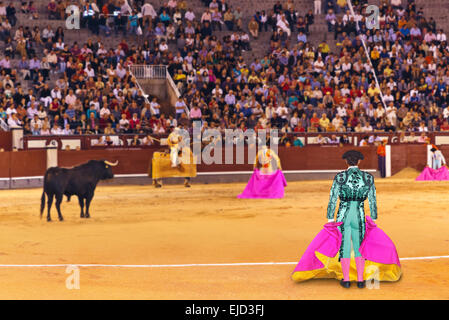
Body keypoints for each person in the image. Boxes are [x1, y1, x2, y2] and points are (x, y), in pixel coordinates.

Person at [292, 150, 401, 287]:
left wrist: (330, 218)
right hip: (359, 214)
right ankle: (361, 280)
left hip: (343, 214)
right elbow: (373, 199)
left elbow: (333, 198)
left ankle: (347, 280)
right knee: (359, 245)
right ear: (359, 161)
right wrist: (373, 217)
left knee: (344, 246)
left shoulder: (340, 177)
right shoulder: (368, 177)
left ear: (346, 161)